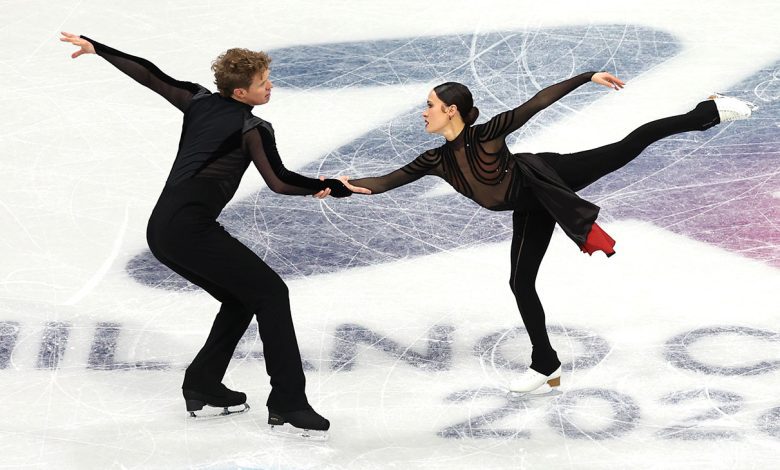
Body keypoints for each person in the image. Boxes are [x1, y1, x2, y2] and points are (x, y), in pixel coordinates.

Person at [338, 71, 754, 394]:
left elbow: (537, 103)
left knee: (630, 144)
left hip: (548, 177)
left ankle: (708, 113)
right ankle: (547, 364)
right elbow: (384, 181)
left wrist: (587, 77)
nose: (423, 111)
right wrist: (337, 187)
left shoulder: (486, 135)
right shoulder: (436, 159)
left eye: (429, 104)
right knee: (520, 282)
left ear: (451, 110)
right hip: (529, 204)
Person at [60, 32, 362, 435]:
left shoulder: (198, 101)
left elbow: (150, 75)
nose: (270, 86)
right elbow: (280, 181)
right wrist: (333, 187)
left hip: (163, 229)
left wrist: (100, 48)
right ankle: (289, 401)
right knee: (272, 293)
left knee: (242, 300)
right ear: (241, 91)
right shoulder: (252, 127)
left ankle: (203, 383)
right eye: (262, 83)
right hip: (189, 230)